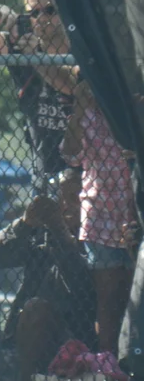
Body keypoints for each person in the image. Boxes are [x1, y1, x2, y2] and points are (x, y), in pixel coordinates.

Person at [0, 171, 97, 380]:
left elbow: (79, 283)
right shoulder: (40, 234)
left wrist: (59, 231)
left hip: (75, 336)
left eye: (73, 198)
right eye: (58, 198)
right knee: (34, 310)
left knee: (36, 309)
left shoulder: (100, 240)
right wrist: (25, 224)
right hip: (26, 337)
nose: (63, 206)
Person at [61, 80, 136, 356]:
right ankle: (107, 361)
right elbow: (69, 154)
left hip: (134, 212)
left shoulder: (133, 110)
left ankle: (131, 358)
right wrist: (79, 107)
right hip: (100, 214)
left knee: (132, 295)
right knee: (108, 298)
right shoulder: (89, 114)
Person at [0, 0, 80, 195]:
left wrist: (35, 57)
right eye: (34, 12)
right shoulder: (21, 44)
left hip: (86, 171)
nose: (42, 18)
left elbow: (70, 86)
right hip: (45, 174)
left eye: (50, 10)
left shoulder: (81, 49)